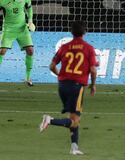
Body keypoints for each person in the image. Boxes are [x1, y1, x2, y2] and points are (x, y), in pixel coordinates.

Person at [39, 21, 97, 155]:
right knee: (75, 120)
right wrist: (93, 85)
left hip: (62, 86)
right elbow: (93, 70)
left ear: (72, 33)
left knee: (73, 117)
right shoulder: (88, 48)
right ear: (84, 32)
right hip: (76, 87)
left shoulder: (64, 47)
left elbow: (51, 66)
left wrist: (62, 76)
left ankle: (74, 147)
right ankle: (50, 120)